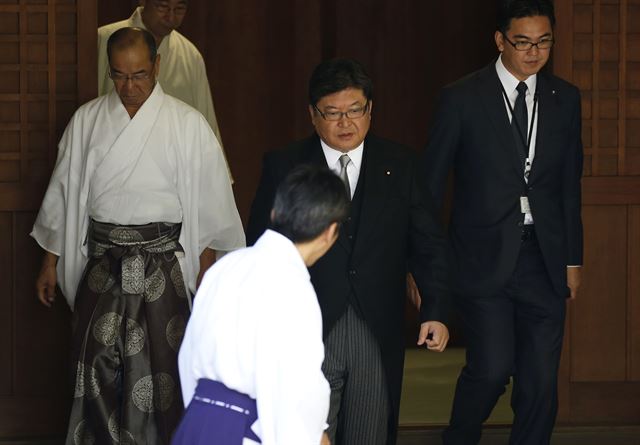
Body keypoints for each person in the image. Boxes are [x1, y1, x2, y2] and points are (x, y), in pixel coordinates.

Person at [31, 27, 245, 444]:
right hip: (104, 261)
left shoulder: (188, 124)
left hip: (163, 263)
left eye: (140, 75)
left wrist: (207, 274)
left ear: (157, 66)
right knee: (93, 364)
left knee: (162, 369)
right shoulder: (87, 121)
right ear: (109, 71)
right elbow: (64, 190)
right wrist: (49, 260)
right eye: (120, 76)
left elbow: (212, 204)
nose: (130, 87)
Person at [246, 58, 451, 445]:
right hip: (307, 323)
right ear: (312, 114)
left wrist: (435, 311)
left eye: (355, 110)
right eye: (333, 113)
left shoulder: (401, 164)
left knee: (370, 430)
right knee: (306, 432)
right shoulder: (284, 165)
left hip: (377, 324)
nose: (345, 123)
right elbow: (261, 245)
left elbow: (428, 243)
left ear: (370, 109)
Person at [421, 1, 583, 444]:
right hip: (482, 256)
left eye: (544, 42)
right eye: (524, 42)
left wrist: (573, 259)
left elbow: (570, 185)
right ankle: (460, 436)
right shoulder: (461, 98)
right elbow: (430, 188)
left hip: (544, 257)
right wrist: (425, 265)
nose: (535, 52)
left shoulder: (565, 98)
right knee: (491, 369)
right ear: (500, 40)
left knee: (540, 383)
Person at [174, 165, 349, 445]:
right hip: (248, 428)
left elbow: (188, 354)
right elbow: (297, 386)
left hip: (197, 419)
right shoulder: (294, 285)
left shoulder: (225, 267)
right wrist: (316, 436)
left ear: (275, 213)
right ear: (330, 233)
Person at [97, 0, 226, 153]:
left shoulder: (190, 56)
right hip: (112, 149)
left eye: (179, 9)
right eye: (162, 7)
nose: (170, 17)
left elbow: (206, 119)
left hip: (171, 157)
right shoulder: (103, 39)